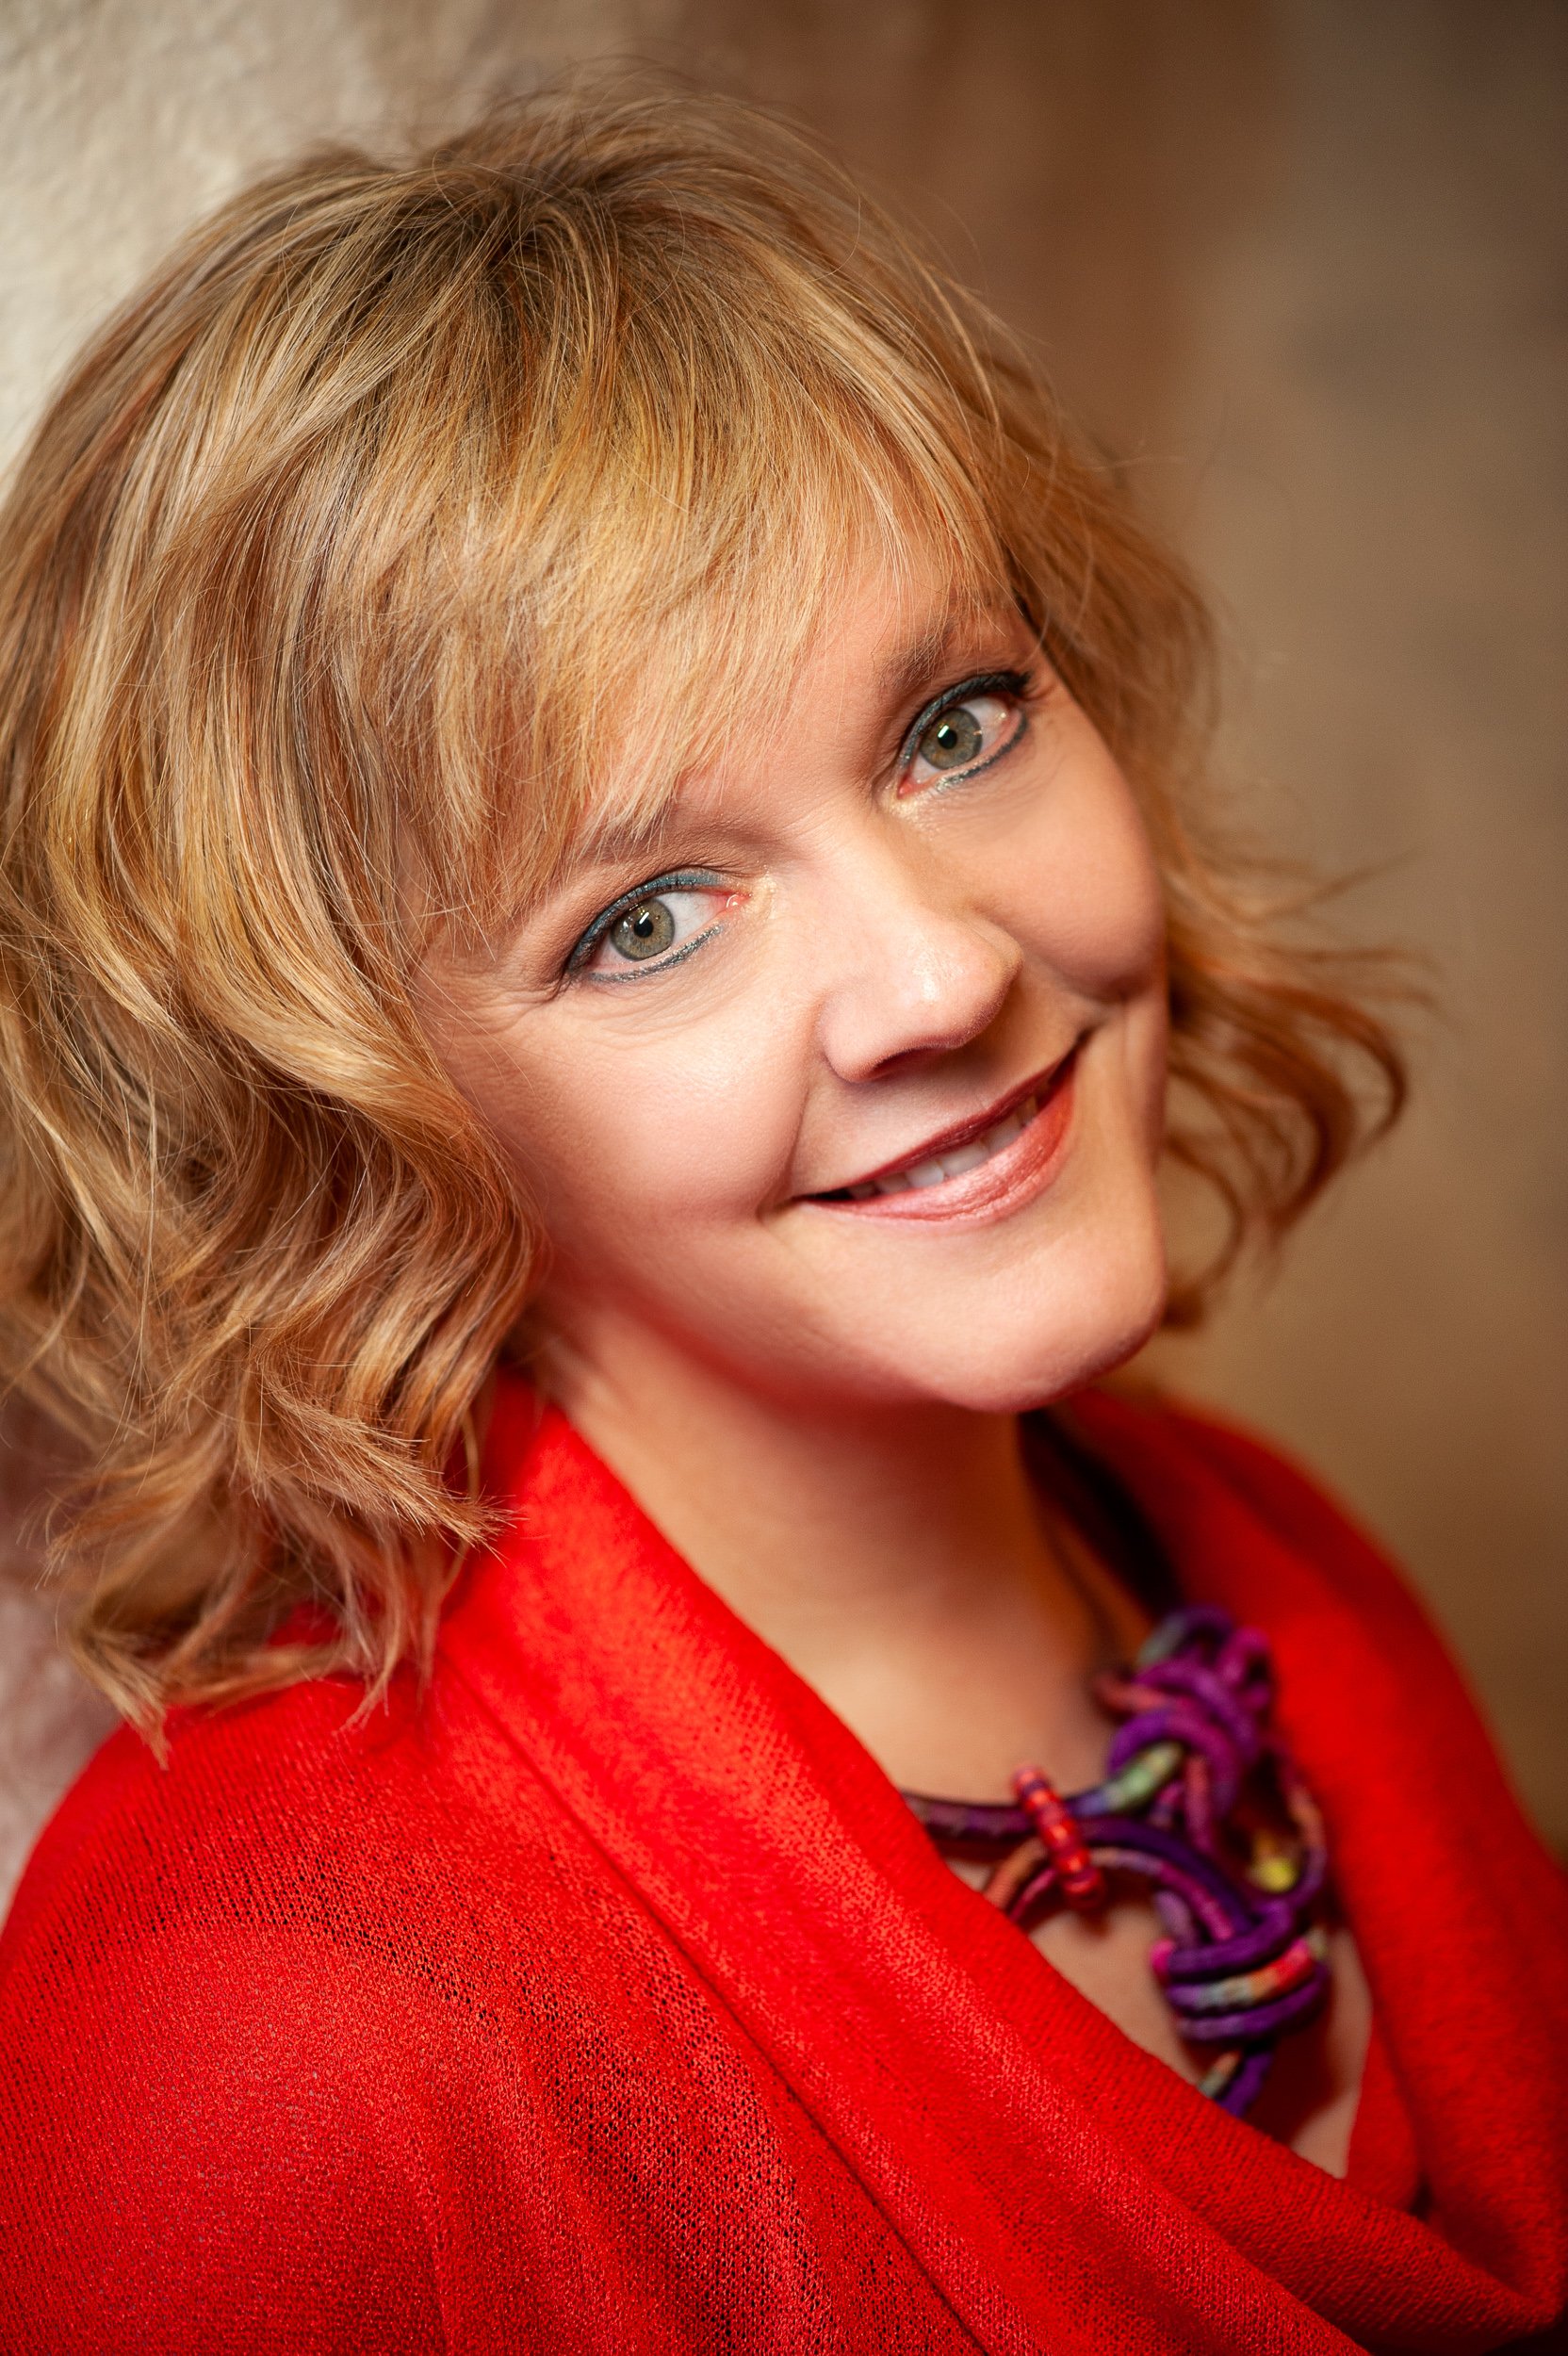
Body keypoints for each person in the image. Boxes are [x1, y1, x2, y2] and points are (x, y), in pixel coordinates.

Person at [0, 82, 1562, 2356]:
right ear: (363, 1109)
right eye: (646, 916)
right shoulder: (265, 2036)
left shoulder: (1278, 1573)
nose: (944, 971)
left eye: (954, 720)